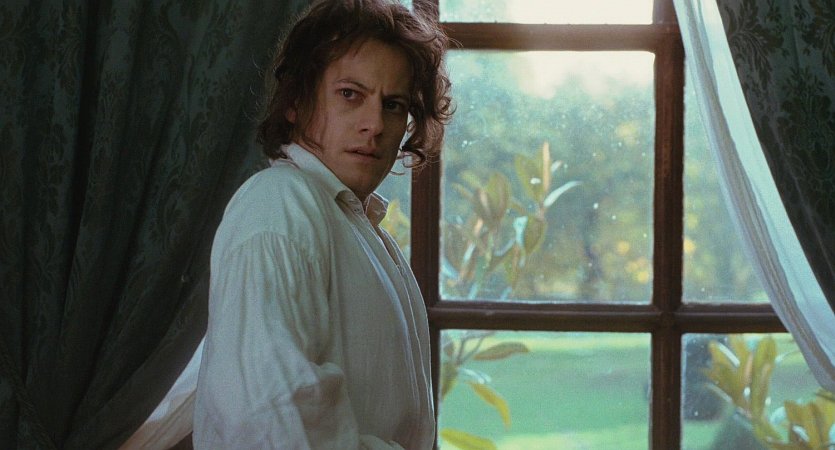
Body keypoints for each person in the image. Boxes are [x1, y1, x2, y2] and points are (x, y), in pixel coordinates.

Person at [193, 0, 453, 448]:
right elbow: (271, 423)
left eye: (393, 105)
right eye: (350, 94)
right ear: (296, 102)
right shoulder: (279, 204)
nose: (374, 124)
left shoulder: (362, 227)